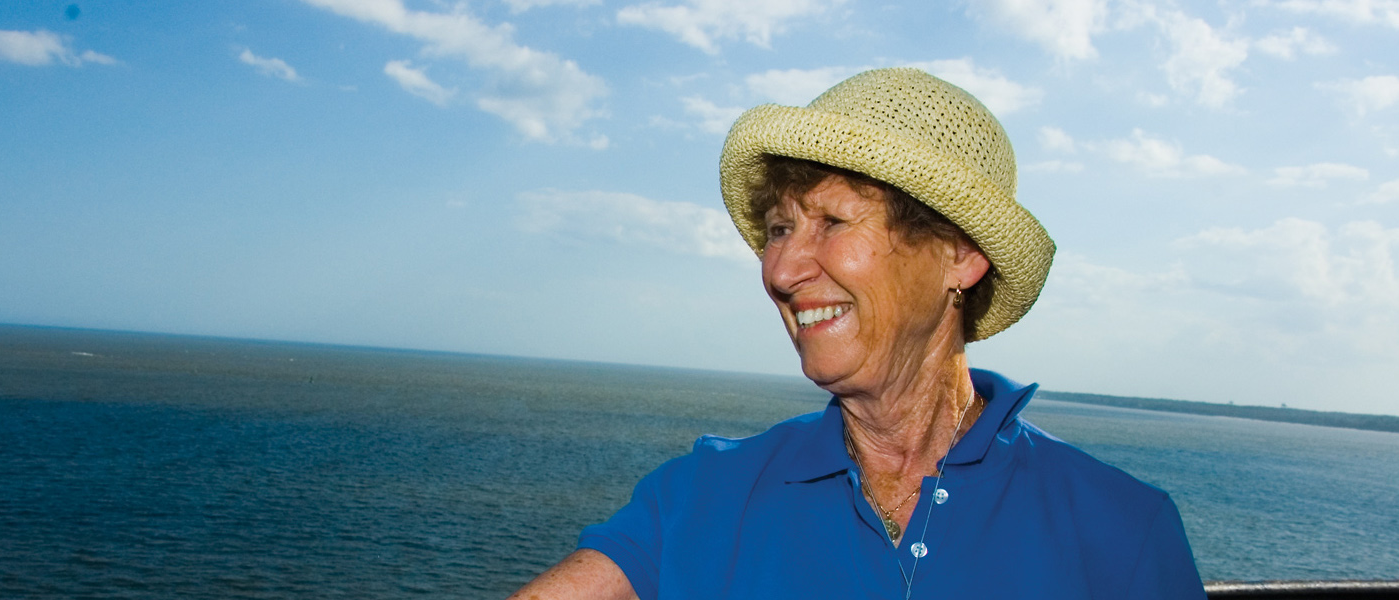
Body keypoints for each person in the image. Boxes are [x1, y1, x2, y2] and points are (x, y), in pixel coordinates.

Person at [509, 68, 1205, 599]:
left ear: (958, 256)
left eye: (832, 224)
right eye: (779, 230)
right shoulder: (698, 498)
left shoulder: (1120, 532)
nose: (780, 268)